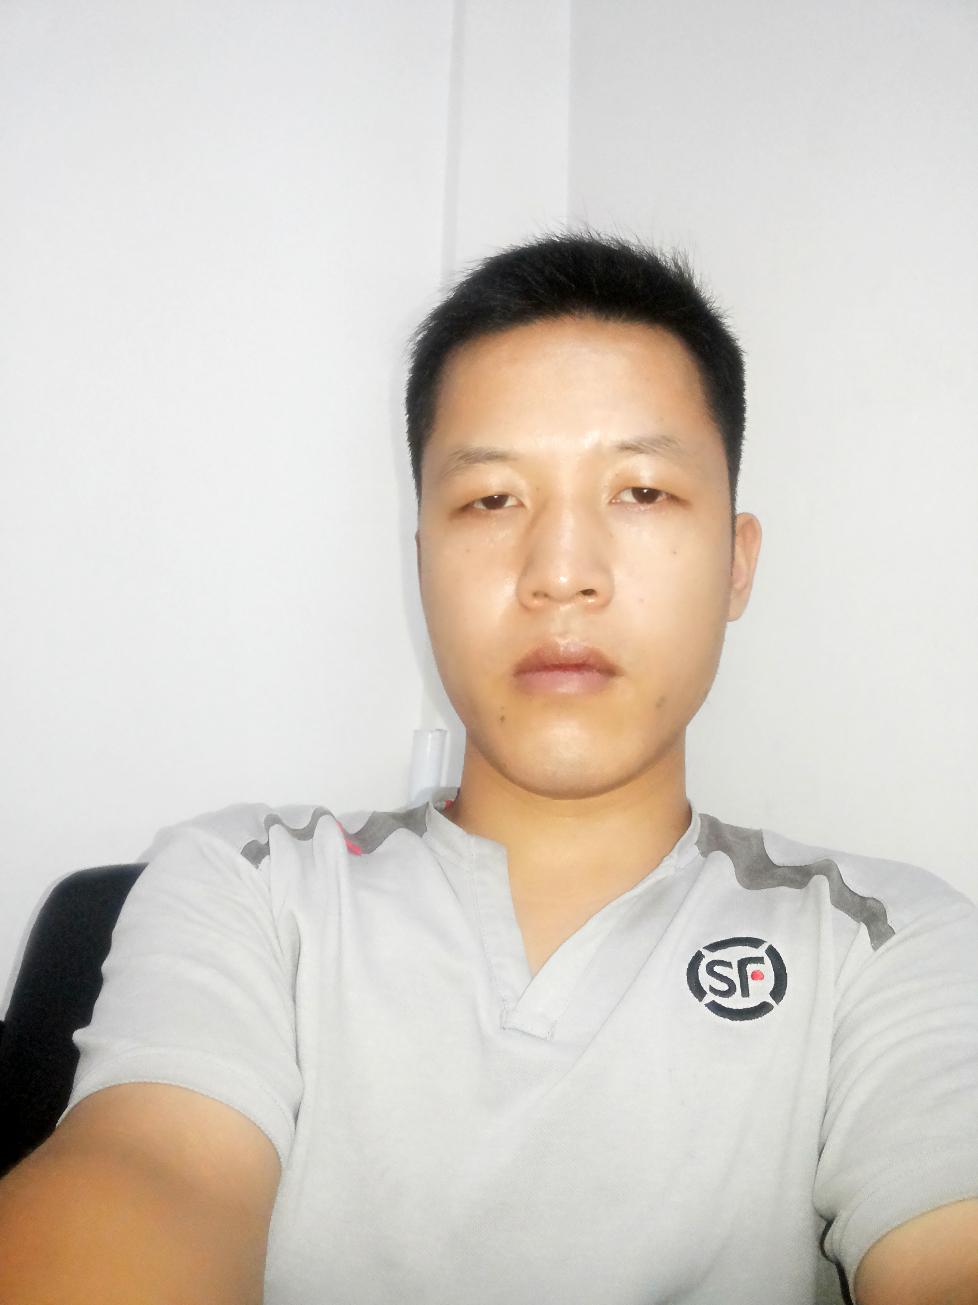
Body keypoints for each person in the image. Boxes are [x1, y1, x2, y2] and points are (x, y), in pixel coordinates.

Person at [1, 230, 976, 1305]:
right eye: (492, 500)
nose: (561, 573)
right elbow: (147, 1175)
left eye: (642, 492)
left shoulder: (885, 943)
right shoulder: (250, 886)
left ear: (737, 564)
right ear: (423, 561)